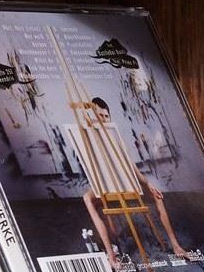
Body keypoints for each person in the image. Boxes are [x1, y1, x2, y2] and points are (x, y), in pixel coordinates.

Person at [78, 96, 190, 262]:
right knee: (87, 198)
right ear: (92, 119)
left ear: (110, 117)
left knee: (157, 195)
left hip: (125, 183)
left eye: (105, 116)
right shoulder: (88, 139)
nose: (103, 120)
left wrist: (148, 183)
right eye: (98, 117)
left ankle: (176, 245)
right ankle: (111, 255)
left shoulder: (115, 138)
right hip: (105, 185)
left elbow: (131, 167)